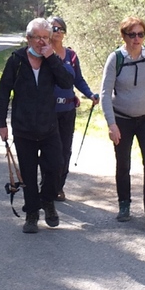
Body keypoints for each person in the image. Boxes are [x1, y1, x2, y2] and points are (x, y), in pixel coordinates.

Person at [0, 18, 74, 233]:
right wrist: (2, 124)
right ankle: (31, 213)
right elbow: (3, 94)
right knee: (28, 174)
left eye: (45, 37)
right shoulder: (17, 60)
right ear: (28, 39)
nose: (42, 42)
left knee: (56, 166)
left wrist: (52, 58)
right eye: (37, 37)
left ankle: (47, 201)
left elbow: (67, 83)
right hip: (24, 128)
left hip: (49, 127)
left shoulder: (51, 60)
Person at [100, 16, 145, 231]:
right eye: (132, 34)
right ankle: (124, 203)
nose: (136, 38)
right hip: (122, 118)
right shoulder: (115, 59)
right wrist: (111, 124)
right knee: (123, 163)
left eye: (140, 34)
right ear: (123, 36)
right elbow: (105, 94)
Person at [47, 16, 99, 201]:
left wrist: (90, 94)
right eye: (54, 28)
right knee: (49, 150)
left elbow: (78, 79)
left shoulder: (71, 55)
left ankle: (59, 186)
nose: (58, 32)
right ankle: (48, 184)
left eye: (61, 29)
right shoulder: (43, 53)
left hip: (68, 110)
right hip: (48, 111)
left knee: (65, 150)